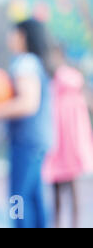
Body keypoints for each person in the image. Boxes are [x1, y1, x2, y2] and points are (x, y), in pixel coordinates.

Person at [0, 19, 53, 228]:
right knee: (33, 196)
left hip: (26, 141)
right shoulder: (35, 62)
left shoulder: (25, 63)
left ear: (23, 36)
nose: (9, 38)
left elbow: (28, 103)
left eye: (13, 33)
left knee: (17, 197)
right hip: (36, 139)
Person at [42, 45, 93, 228]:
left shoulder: (69, 76)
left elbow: (87, 99)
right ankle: (56, 223)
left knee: (71, 186)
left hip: (70, 139)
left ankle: (74, 224)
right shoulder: (50, 80)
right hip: (57, 138)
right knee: (56, 187)